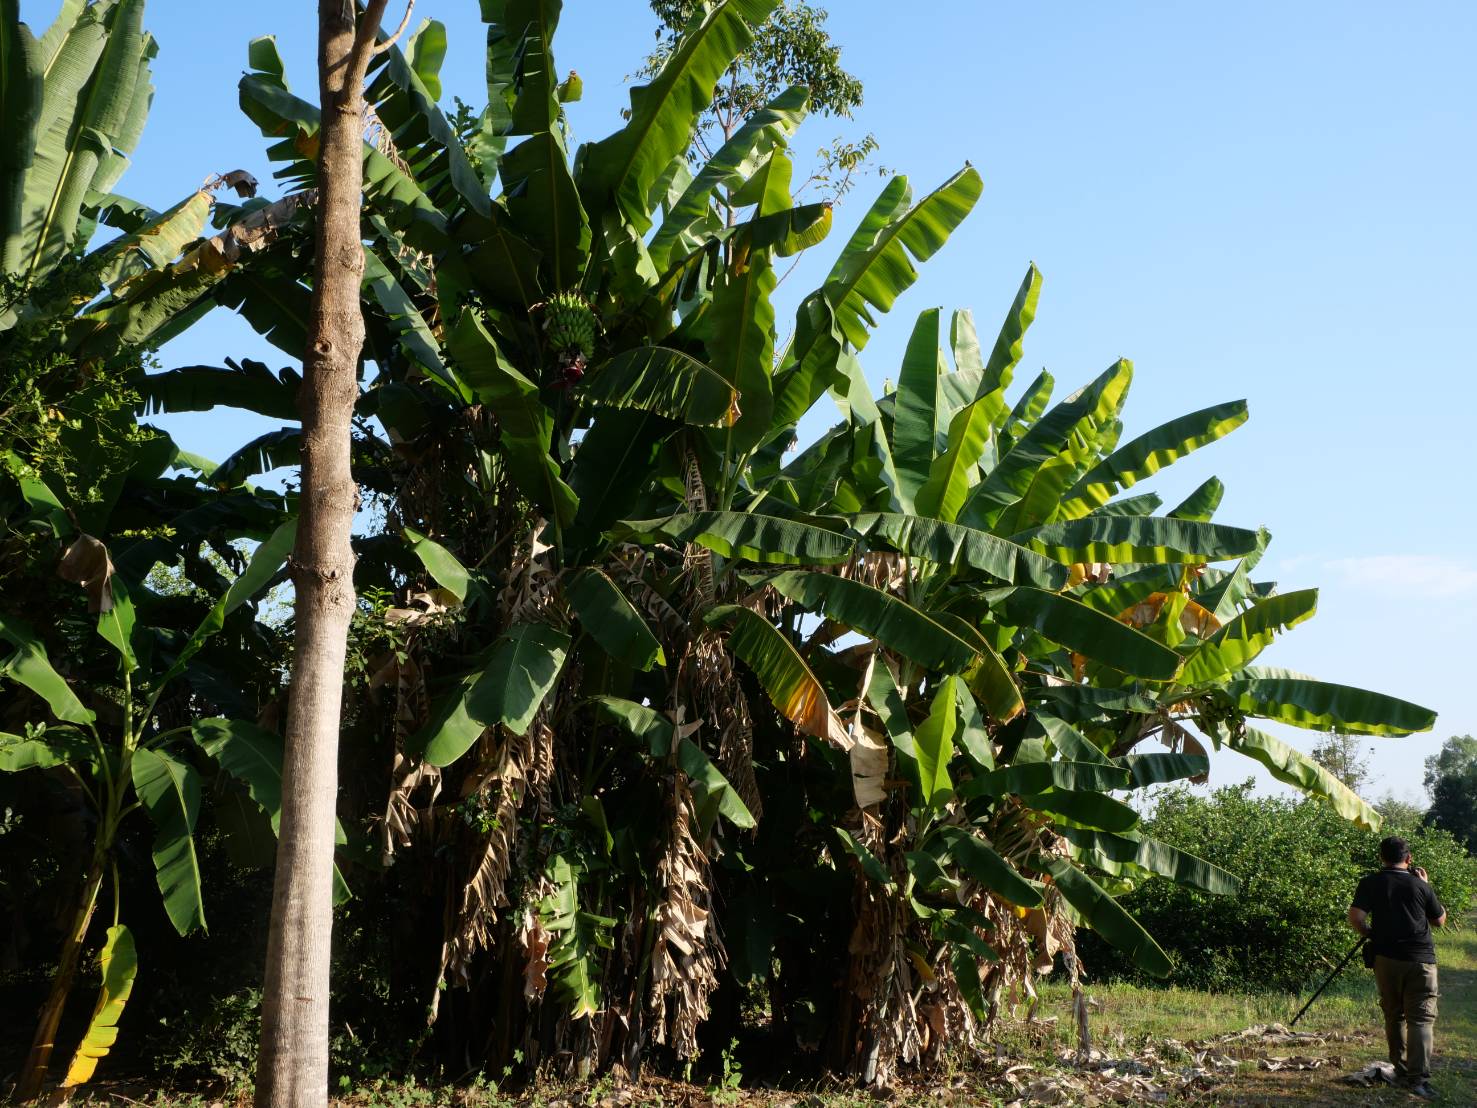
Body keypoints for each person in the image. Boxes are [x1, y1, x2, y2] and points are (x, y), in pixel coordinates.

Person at [1347, 835, 1447, 1100]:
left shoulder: (1370, 882)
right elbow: (1440, 920)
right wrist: (1425, 886)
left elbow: (1356, 917)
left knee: (1394, 1014)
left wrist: (1371, 934)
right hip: (1420, 959)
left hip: (1385, 959)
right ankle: (1418, 1079)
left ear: (1382, 857)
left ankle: (1401, 1069)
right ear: (1409, 858)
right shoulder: (1420, 885)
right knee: (1421, 1018)